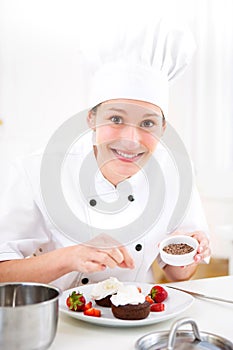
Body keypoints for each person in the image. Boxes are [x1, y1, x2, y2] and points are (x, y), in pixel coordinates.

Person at [0, 17, 211, 291]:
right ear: (91, 119)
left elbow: (177, 275)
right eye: (116, 119)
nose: (131, 140)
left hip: (140, 314)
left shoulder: (175, 172)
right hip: (63, 320)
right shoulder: (36, 170)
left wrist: (187, 253)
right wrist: (69, 257)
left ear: (162, 128)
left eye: (147, 123)